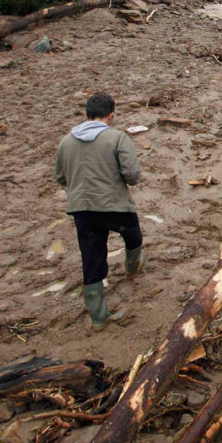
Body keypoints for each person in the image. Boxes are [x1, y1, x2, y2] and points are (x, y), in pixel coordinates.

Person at [54, 93, 144, 331]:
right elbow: (133, 176)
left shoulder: (65, 141)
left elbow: (61, 177)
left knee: (91, 259)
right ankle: (133, 269)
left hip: (82, 210)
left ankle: (98, 317)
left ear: (87, 115)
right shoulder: (117, 138)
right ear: (111, 114)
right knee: (133, 237)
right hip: (115, 205)